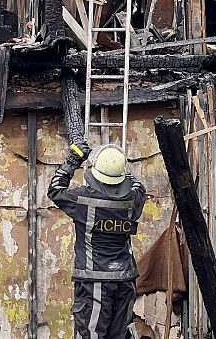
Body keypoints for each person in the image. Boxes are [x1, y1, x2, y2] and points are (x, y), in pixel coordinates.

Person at [47, 141, 146, 338]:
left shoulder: (83, 199)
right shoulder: (133, 199)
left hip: (94, 283)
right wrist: (120, 169)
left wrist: (73, 159)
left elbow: (55, 189)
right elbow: (137, 185)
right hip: (125, 281)